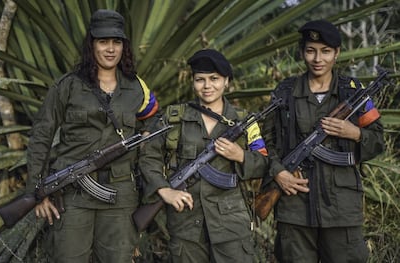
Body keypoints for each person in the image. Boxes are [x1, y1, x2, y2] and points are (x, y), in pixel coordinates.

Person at [26, 9, 159, 263]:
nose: (110, 49)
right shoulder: (68, 86)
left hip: (120, 195)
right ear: (91, 44)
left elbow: (154, 119)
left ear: (124, 46)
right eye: (103, 41)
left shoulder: (136, 87)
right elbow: (41, 136)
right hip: (73, 194)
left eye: (116, 42)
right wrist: (36, 191)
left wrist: (148, 137)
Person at [262, 19, 385, 263]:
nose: (318, 59)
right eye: (311, 51)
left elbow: (378, 140)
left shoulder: (354, 93)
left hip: (341, 210)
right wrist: (278, 173)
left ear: (337, 53)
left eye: (326, 51)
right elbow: (264, 142)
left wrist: (355, 133)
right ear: (302, 53)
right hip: (293, 206)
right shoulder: (285, 92)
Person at [139, 49, 270, 263]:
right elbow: (148, 158)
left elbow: (264, 163)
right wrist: (164, 190)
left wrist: (240, 156)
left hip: (231, 226)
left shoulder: (243, 121)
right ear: (192, 82)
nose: (207, 86)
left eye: (214, 79)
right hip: (186, 224)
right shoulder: (175, 117)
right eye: (200, 79)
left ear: (227, 81)